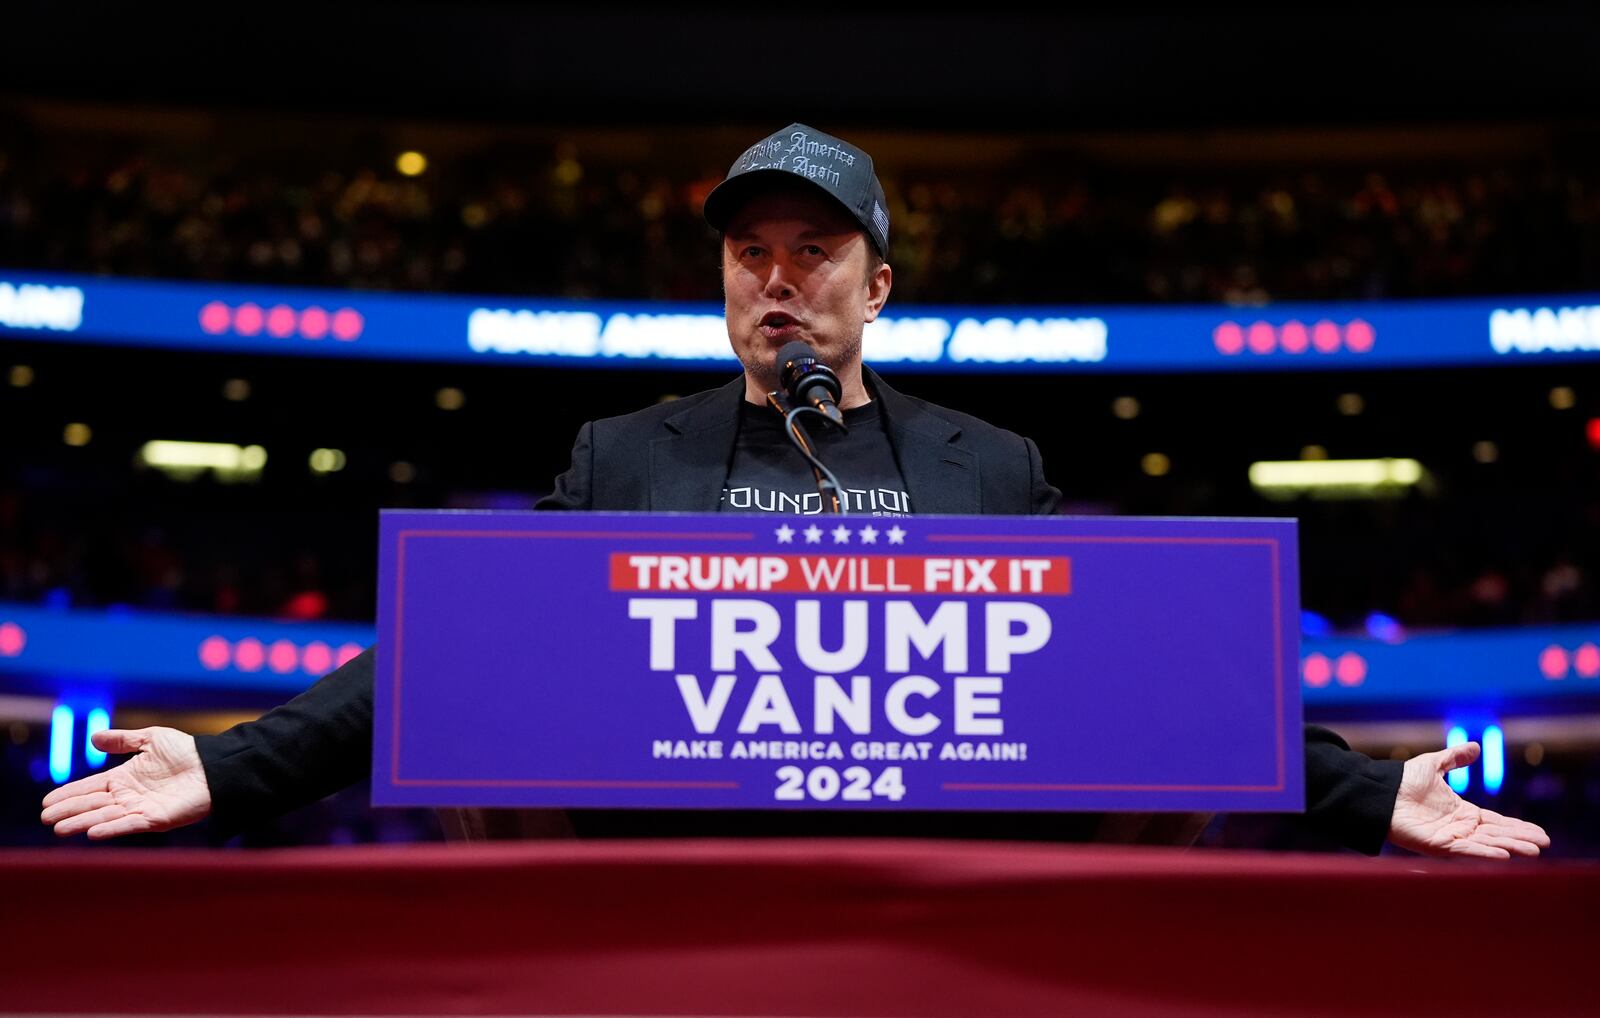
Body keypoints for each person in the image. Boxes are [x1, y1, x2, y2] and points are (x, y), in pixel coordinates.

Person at [42, 124, 1550, 859]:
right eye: (748, 252)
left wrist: (1361, 788)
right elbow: (463, 648)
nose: (778, 279)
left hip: (939, 917)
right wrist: (238, 764)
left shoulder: (989, 466)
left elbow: (1129, 673)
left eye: (813, 251)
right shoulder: (624, 456)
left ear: (877, 284)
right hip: (669, 920)